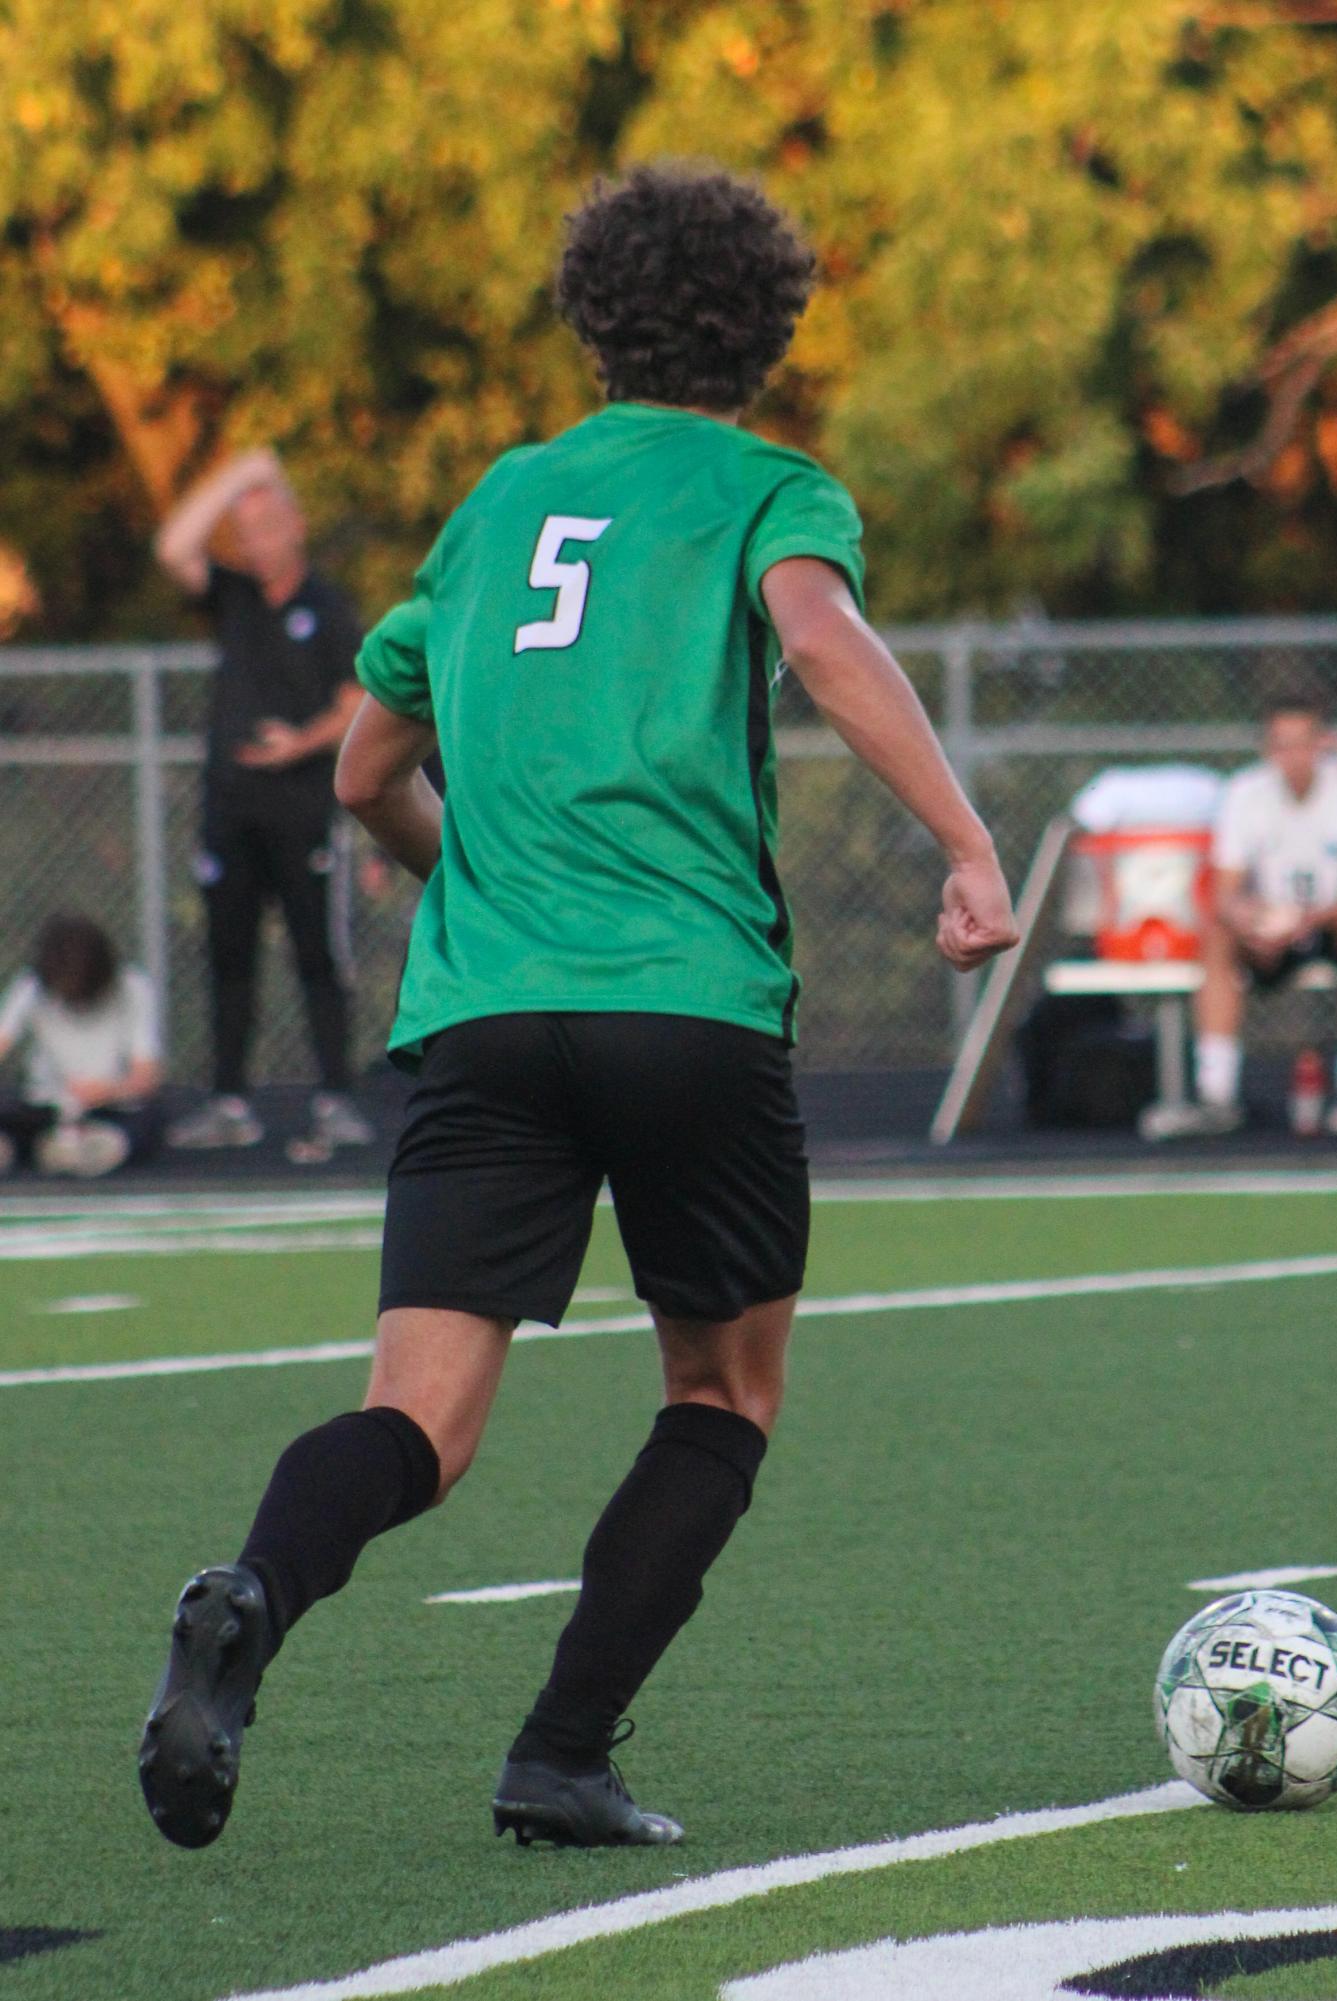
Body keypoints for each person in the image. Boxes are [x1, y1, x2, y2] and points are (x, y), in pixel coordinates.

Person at [139, 162, 1018, 1855]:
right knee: (720, 1394)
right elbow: (821, 640)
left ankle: (252, 1587)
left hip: (483, 1012)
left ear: (589, 319)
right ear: (768, 329)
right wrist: (964, 841)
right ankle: (558, 1750)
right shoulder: (769, 488)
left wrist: (460, 861)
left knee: (421, 1418)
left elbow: (365, 767)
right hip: (685, 999)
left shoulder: (499, 504)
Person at [154, 450, 373, 1154]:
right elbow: (173, 546)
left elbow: (358, 700)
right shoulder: (235, 596)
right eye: (245, 533)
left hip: (300, 808)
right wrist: (238, 474)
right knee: (227, 955)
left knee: (317, 954)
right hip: (231, 808)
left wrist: (299, 743)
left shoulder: (327, 607)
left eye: (268, 527)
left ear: (296, 527)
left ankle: (337, 1096)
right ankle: (228, 1099)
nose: (256, 544)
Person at [1142, 691, 1337, 1140]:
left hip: (1331, 924)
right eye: (1282, 744)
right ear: (1267, 749)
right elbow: (1224, 893)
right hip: (1268, 929)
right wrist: (1252, 922)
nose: (1293, 756)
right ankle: (1215, 1092)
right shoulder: (1244, 792)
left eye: (1303, 743)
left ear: (1323, 744)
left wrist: (1307, 920)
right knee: (1216, 934)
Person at [0, 914, 163, 1176]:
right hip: (48, 1106)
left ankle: (92, 1148)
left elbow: (146, 1077)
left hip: (112, 1108)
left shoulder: (134, 987)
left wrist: (108, 1091)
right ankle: (40, 1146)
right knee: (14, 1113)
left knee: (149, 1121)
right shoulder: (31, 988)